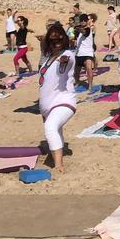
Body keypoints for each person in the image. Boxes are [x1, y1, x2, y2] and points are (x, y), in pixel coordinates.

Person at [37, 23, 77, 172]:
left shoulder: (66, 55)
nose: (56, 44)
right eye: (53, 41)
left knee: (50, 127)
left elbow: (68, 60)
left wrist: (64, 60)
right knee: (56, 130)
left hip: (63, 101)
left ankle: (58, 165)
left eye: (59, 40)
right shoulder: (48, 58)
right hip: (47, 106)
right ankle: (59, 154)